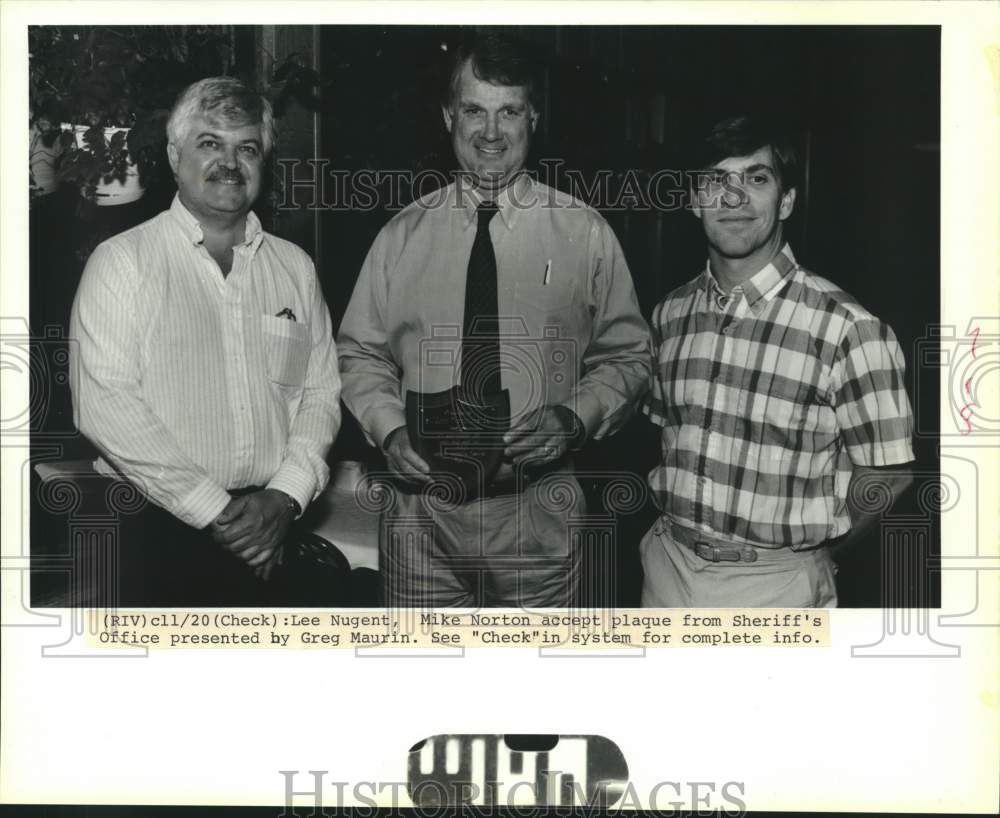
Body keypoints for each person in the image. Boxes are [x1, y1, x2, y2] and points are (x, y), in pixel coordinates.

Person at [337, 32, 651, 608]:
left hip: (536, 511)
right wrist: (389, 428)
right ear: (447, 116)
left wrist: (573, 419)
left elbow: (628, 356)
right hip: (420, 517)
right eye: (474, 111)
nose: (490, 132)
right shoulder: (399, 237)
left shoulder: (584, 233)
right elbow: (358, 354)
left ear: (533, 117)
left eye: (508, 111)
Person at [69, 77, 341, 606]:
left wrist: (285, 496)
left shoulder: (296, 269)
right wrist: (218, 513)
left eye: (247, 147)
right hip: (157, 533)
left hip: (273, 529)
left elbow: (321, 393)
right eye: (210, 143)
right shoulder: (122, 263)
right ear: (175, 156)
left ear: (265, 161)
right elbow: (105, 407)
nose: (230, 162)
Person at [641, 115, 915, 608]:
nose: (732, 198)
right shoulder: (669, 314)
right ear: (691, 199)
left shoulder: (848, 328)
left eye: (756, 178)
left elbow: (889, 477)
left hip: (776, 585)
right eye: (715, 180)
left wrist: (819, 556)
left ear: (785, 200)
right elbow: (668, 436)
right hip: (666, 570)